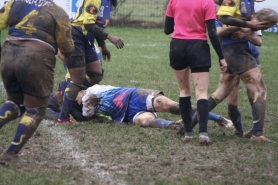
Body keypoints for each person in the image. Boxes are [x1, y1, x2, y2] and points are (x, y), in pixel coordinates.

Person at [191, 0, 274, 143]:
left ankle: (188, 126)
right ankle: (258, 135)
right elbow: (220, 28)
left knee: (220, 93)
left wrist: (248, 30)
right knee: (260, 91)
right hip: (236, 52)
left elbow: (257, 39)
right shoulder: (230, 4)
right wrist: (245, 27)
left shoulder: (248, 4)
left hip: (237, 53)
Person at [0, 0, 74, 160]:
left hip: (9, 54)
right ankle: (10, 154)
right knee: (35, 110)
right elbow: (66, 46)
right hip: (36, 58)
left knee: (14, 103)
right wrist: (67, 52)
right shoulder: (59, 12)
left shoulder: (13, 3)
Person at [164, 0, 228, 145]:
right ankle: (203, 134)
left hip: (177, 46)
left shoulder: (174, 1)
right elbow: (212, 33)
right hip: (198, 47)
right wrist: (221, 57)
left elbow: (167, 29)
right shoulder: (207, 2)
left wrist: (181, 26)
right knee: (202, 93)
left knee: (184, 91)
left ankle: (188, 133)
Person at [45, 83, 233, 129]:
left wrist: (89, 98)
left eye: (73, 96)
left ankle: (218, 118)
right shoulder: (86, 107)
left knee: (174, 106)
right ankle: (176, 126)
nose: (74, 100)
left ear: (80, 89)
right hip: (126, 115)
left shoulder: (93, 88)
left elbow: (93, 95)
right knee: (146, 123)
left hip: (135, 96)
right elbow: (86, 115)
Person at [58, 0, 124, 124]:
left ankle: (69, 91)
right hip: (75, 36)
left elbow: (96, 27)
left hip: (86, 39)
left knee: (96, 74)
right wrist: (109, 36)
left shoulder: (108, 3)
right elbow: (88, 24)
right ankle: (63, 116)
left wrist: (103, 47)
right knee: (77, 79)